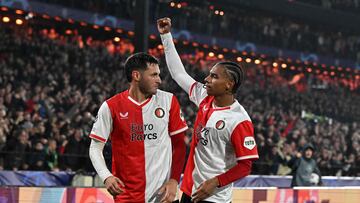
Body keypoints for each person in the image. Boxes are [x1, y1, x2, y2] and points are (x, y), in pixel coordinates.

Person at [158, 18, 259, 203]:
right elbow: (178, 74)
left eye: (214, 76)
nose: (206, 79)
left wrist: (216, 182)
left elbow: (245, 166)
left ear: (229, 84)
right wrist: (166, 36)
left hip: (215, 198)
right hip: (189, 192)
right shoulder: (204, 97)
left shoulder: (238, 120)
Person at [89, 53, 188, 203]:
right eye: (154, 75)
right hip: (127, 197)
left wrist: (174, 180)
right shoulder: (111, 107)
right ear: (136, 75)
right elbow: (95, 148)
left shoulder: (168, 101)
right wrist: (106, 176)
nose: (159, 80)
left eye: (158, 75)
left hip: (164, 196)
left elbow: (179, 146)